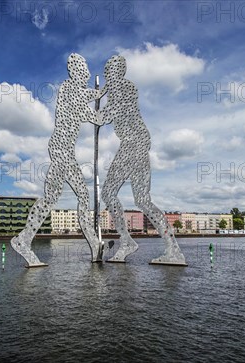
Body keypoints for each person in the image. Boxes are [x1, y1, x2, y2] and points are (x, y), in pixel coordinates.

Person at [10, 53, 105, 266]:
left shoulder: (75, 92)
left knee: (57, 197)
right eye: (84, 71)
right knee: (77, 196)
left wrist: (101, 93)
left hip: (63, 151)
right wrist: (106, 99)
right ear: (75, 72)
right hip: (62, 151)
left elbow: (90, 97)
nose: (88, 74)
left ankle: (24, 239)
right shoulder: (69, 89)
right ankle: (91, 241)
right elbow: (95, 116)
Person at [99, 55, 186, 265]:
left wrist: (83, 111)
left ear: (117, 72)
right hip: (139, 143)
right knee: (142, 200)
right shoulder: (119, 89)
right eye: (106, 74)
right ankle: (173, 250)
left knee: (108, 193)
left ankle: (127, 241)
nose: (107, 78)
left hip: (132, 144)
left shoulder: (123, 88)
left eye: (109, 73)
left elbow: (105, 116)